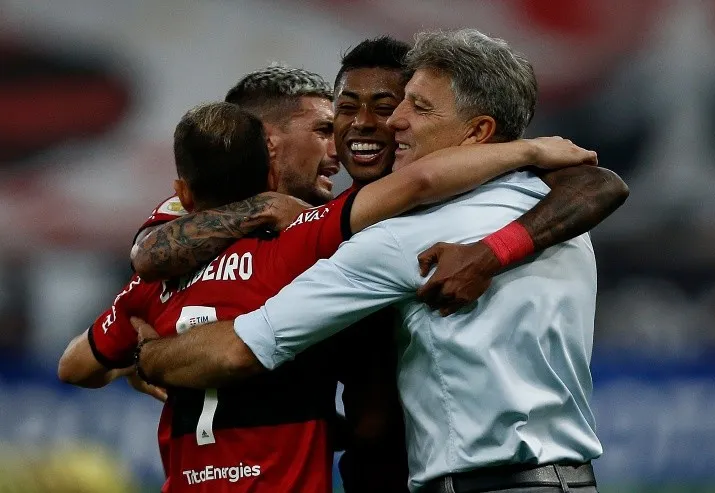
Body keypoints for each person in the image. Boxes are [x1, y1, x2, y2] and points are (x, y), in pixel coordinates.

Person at [60, 69, 596, 491]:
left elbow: (82, 357)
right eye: (323, 129)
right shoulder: (303, 239)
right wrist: (528, 150)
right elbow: (420, 182)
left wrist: (143, 355)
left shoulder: (177, 257)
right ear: (267, 144)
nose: (338, 144)